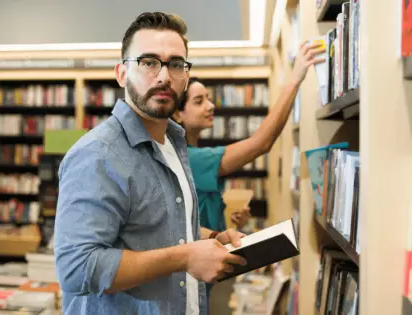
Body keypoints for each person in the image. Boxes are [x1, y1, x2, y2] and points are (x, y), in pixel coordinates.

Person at [54, 12, 249, 315]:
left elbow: (160, 226)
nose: (163, 76)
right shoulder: (96, 154)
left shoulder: (173, 143)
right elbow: (78, 268)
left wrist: (212, 238)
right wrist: (185, 257)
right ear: (121, 73)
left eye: (175, 64)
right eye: (148, 63)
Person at [172, 43, 325, 234]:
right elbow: (261, 143)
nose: (211, 106)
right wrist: (294, 80)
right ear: (177, 115)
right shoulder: (190, 158)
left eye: (209, 98)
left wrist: (230, 221)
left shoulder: (188, 156)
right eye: (199, 101)